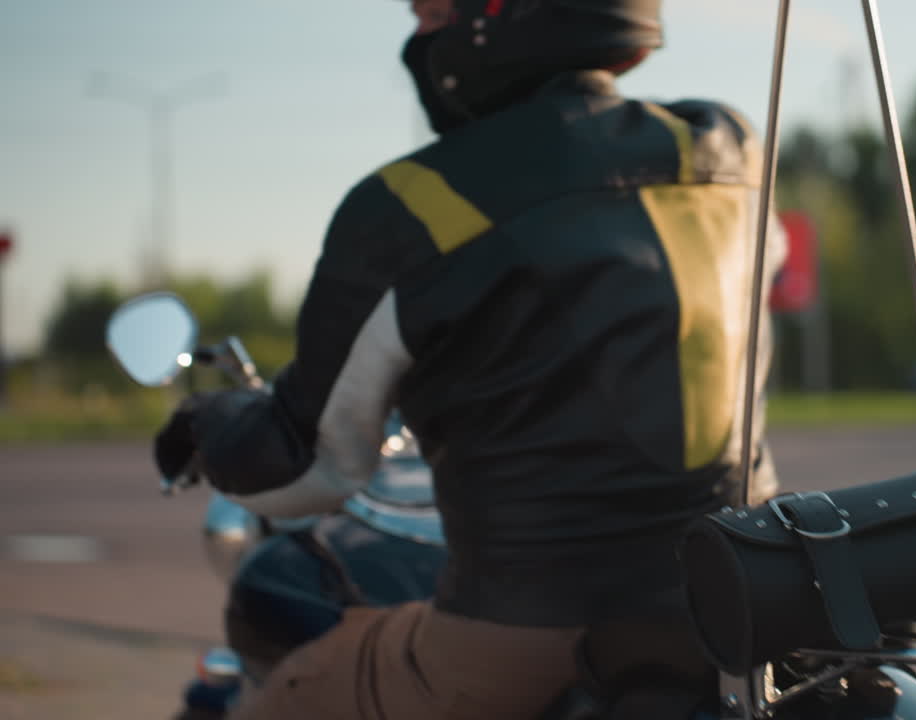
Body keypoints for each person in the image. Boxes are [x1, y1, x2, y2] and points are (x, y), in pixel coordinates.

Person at [154, 0, 784, 717]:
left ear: (497, 19)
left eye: (430, 14)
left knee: (279, 692)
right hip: (748, 609)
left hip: (528, 636)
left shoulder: (409, 203)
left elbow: (309, 467)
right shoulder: (730, 150)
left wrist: (211, 421)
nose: (418, 38)